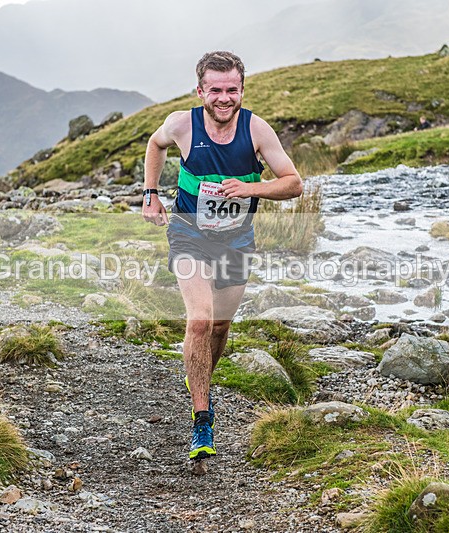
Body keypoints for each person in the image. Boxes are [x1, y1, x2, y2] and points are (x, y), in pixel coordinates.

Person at [142, 51, 303, 465]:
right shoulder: (182, 123)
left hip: (236, 242)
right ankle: (202, 416)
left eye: (232, 89)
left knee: (218, 328)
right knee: (198, 320)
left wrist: (251, 190)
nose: (224, 98)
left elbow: (294, 184)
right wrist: (151, 193)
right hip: (188, 234)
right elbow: (154, 144)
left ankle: (198, 376)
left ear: (242, 90)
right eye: (216, 90)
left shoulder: (257, 130)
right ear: (201, 91)